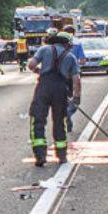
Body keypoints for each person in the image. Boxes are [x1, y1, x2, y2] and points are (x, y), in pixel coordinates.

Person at [27, 30, 82, 166]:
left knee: (38, 120)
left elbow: (31, 65)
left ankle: (40, 155)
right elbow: (76, 81)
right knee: (59, 121)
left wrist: (38, 71)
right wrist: (76, 98)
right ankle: (61, 155)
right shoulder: (70, 57)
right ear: (67, 44)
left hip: (44, 87)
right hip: (60, 90)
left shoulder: (44, 49)